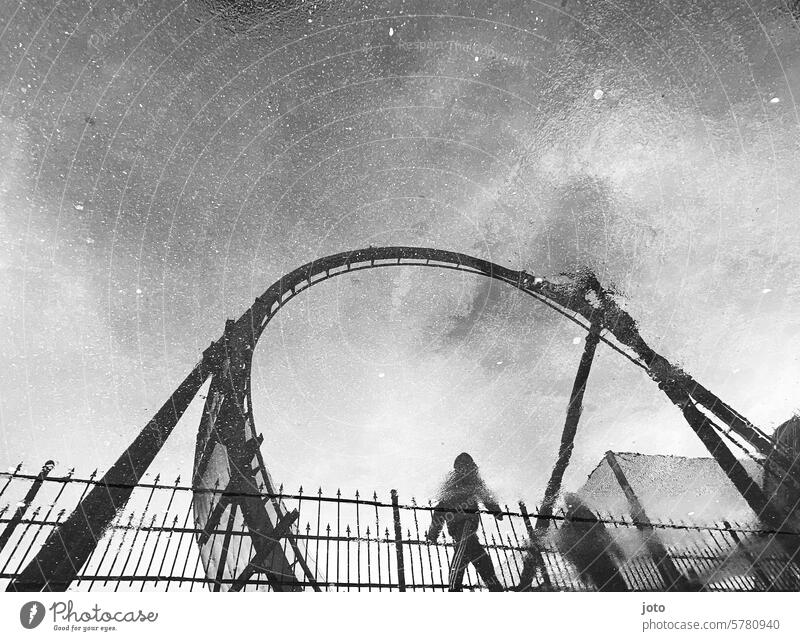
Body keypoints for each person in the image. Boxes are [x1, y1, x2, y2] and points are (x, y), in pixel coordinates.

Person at [426, 453, 505, 591]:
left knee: (469, 554)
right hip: (459, 525)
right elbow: (441, 508)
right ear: (457, 469)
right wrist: (433, 533)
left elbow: (485, 496)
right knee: (470, 555)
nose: (465, 469)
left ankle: (491, 587)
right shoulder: (452, 483)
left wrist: (495, 510)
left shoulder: (475, 481)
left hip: (468, 524)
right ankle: (459, 589)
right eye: (462, 467)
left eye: (468, 466)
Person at [555, 492, 628, 591]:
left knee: (605, 586)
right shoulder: (583, 513)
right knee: (617, 585)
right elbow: (601, 531)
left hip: (588, 558)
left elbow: (567, 544)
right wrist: (615, 548)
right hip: (597, 554)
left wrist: (580, 568)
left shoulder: (568, 521)